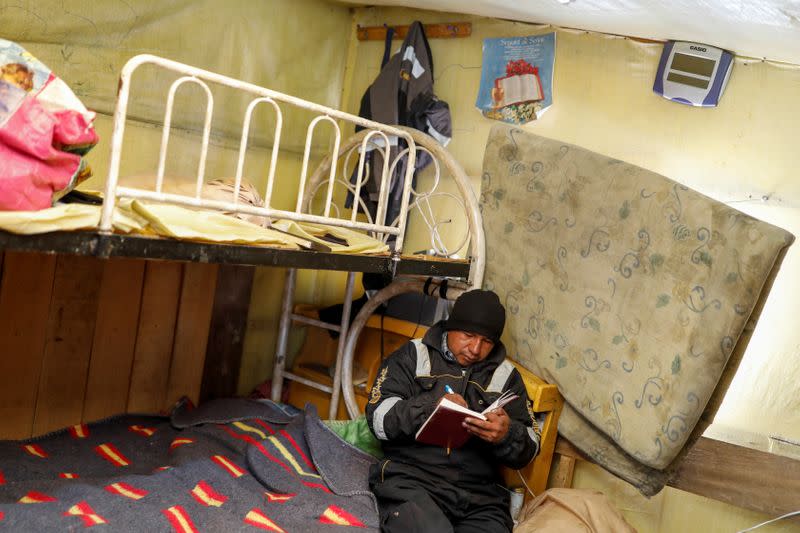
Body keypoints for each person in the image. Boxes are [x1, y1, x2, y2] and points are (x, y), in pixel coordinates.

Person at [366, 289, 540, 532]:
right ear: (450, 327)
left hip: (480, 495)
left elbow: (531, 448)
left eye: (487, 341)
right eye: (468, 335)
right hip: (413, 480)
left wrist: (507, 434)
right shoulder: (413, 355)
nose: (476, 349)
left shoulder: (506, 376)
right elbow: (378, 419)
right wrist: (430, 407)